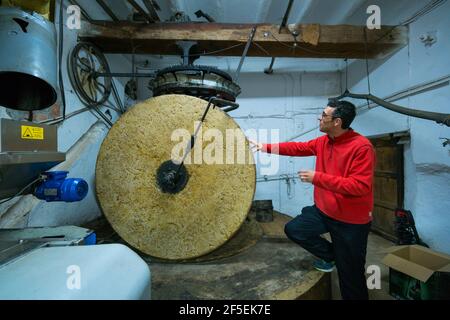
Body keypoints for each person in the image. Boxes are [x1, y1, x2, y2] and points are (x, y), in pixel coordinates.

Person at [250, 100, 376, 300]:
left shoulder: (361, 147)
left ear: (337, 122)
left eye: (324, 115)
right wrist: (265, 147)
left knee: (351, 277)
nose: (319, 117)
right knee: (295, 229)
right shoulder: (324, 141)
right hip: (325, 211)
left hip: (350, 221)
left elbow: (359, 186)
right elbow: (298, 148)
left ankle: (344, 264)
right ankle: (333, 256)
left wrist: (318, 178)